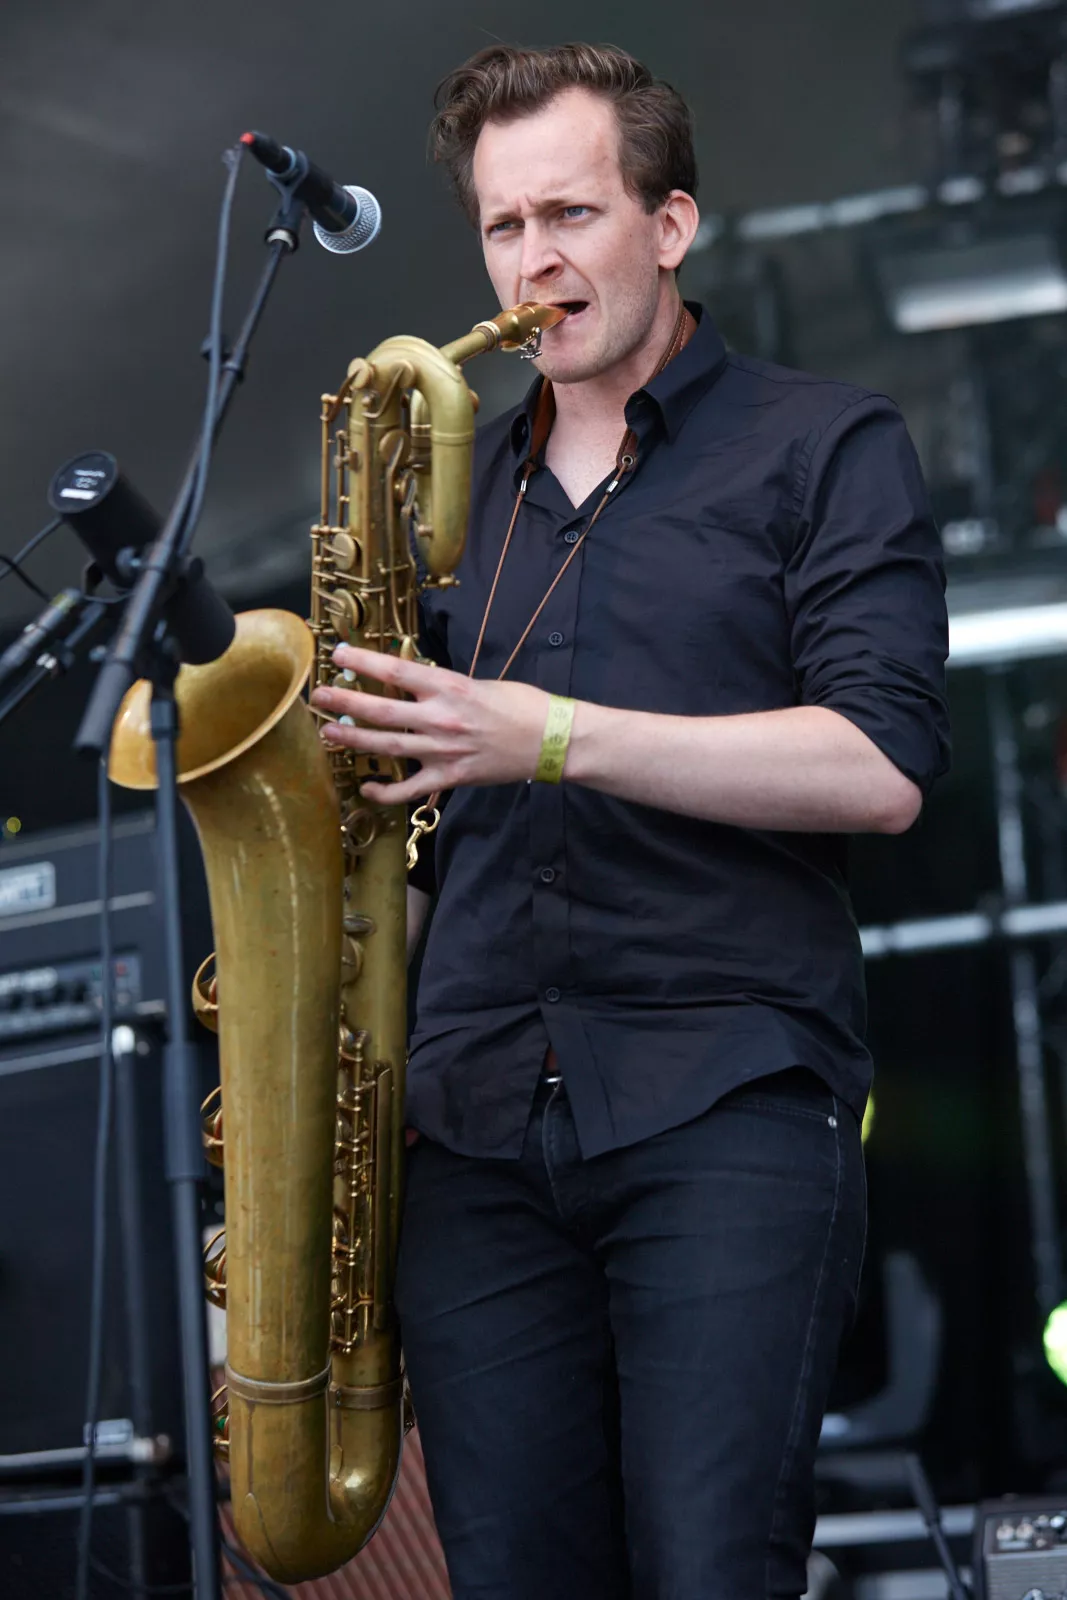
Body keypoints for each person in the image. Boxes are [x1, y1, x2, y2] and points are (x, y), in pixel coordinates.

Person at [310, 41, 950, 1600]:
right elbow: (404, 835)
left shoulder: (823, 443)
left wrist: (546, 738)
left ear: (668, 226)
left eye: (571, 214)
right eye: (502, 225)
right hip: (468, 1131)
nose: (533, 261)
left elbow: (878, 766)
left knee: (709, 1568)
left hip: (721, 1097)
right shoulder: (440, 512)